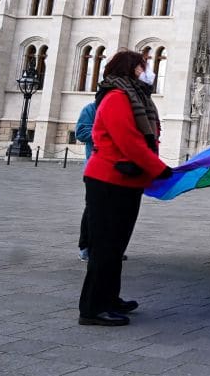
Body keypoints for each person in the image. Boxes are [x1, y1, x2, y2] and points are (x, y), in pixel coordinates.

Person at [78, 50, 171, 326]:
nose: (147, 70)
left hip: (126, 182)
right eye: (143, 66)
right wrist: (159, 169)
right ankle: (92, 308)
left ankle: (110, 298)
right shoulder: (117, 97)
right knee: (105, 246)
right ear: (131, 69)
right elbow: (129, 141)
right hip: (107, 181)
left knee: (116, 246)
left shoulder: (137, 97)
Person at [75, 101, 96, 262]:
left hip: (116, 169)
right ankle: (85, 247)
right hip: (94, 168)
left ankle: (106, 247)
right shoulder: (90, 108)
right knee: (93, 209)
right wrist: (106, 133)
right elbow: (81, 132)